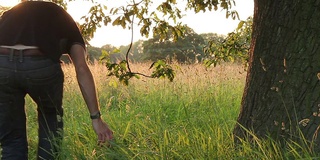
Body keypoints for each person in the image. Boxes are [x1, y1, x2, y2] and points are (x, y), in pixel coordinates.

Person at [0, 1, 113, 159]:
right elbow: (81, 68)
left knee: (12, 141)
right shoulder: (67, 23)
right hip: (40, 66)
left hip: (2, 65)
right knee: (50, 119)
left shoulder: (11, 13)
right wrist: (96, 118)